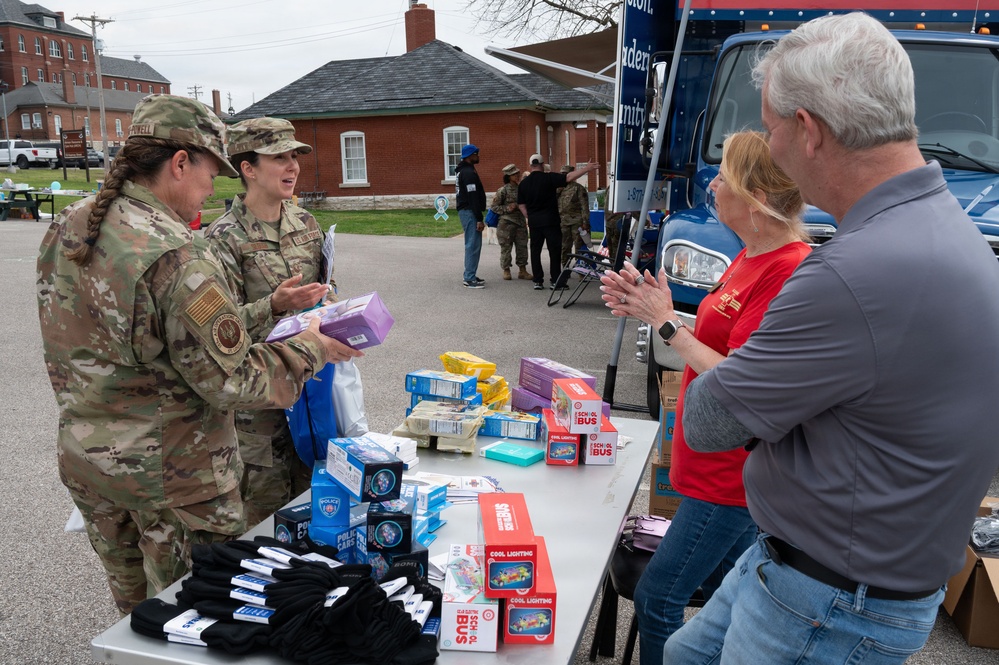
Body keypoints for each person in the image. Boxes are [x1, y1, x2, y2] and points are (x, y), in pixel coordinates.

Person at [665, 13, 999, 664]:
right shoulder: (945, 228)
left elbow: (707, 420)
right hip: (830, 567)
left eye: (769, 129)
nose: (771, 148)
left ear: (809, 131)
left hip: (826, 601)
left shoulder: (851, 273)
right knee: (685, 653)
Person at [35, 94, 362, 615]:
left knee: (137, 618)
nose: (214, 187)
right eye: (212, 172)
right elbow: (230, 379)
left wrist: (267, 310)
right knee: (197, 619)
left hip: (93, 467)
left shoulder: (73, 223)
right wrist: (315, 347)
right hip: (174, 482)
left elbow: (157, 336)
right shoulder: (177, 251)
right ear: (180, 162)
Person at [601, 131, 810, 665]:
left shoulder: (786, 269)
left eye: (724, 176)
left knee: (658, 596)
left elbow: (743, 377)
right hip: (710, 465)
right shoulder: (751, 255)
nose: (712, 184)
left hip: (729, 478)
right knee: (732, 600)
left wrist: (666, 325)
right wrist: (659, 307)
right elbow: (720, 341)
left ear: (756, 194)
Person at [204, 117, 331, 528]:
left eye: (294, 155)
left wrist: (336, 310)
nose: (292, 165)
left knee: (317, 504)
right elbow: (216, 333)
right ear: (248, 168)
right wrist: (272, 306)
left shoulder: (305, 224)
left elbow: (325, 288)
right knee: (267, 520)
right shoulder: (222, 239)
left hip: (310, 392)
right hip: (258, 408)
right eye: (279, 157)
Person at [517, 153, 598, 290]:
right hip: (551, 221)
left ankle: (538, 281)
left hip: (534, 223)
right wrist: (586, 169)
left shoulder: (523, 184)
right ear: (542, 165)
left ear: (531, 166)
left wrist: (529, 217)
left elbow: (521, 205)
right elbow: (568, 177)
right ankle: (555, 280)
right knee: (554, 251)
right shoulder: (549, 178)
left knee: (535, 251)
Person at [489, 163, 531, 281]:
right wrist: (508, 208)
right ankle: (506, 270)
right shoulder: (502, 191)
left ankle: (522, 270)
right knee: (506, 248)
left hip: (520, 222)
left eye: (518, 173)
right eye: (514, 174)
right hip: (506, 223)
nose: (517, 176)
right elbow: (494, 207)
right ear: (508, 176)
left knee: (522, 246)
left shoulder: (522, 189)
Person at [455, 143, 486, 289]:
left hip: (467, 210)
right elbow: (472, 195)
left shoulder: (465, 170)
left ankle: (471, 274)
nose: (478, 156)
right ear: (470, 156)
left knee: (474, 244)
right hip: (469, 211)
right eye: (476, 153)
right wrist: (479, 218)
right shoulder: (468, 173)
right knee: (472, 244)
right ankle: (469, 278)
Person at [557, 164, 591, 266]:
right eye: (562, 174)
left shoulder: (578, 188)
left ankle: (581, 268)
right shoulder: (558, 189)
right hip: (563, 222)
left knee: (579, 246)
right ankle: (565, 267)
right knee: (565, 246)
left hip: (577, 222)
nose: (563, 176)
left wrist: (585, 222)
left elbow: (584, 206)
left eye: (566, 174)